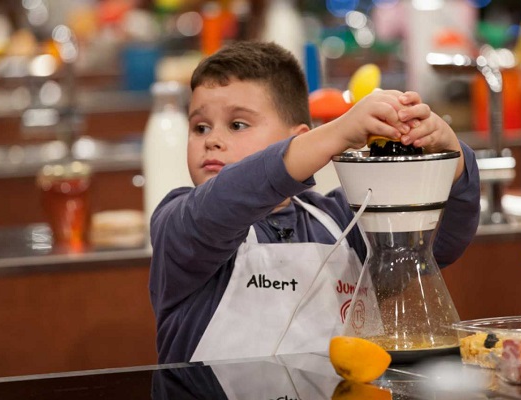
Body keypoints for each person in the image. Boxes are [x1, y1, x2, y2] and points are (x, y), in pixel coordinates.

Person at [148, 41, 480, 364]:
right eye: (199, 127)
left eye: (237, 124)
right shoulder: (179, 224)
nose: (212, 141)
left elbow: (436, 246)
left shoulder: (343, 221)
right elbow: (228, 198)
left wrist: (451, 156)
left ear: (298, 137)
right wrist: (339, 133)